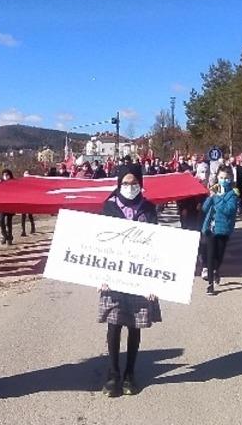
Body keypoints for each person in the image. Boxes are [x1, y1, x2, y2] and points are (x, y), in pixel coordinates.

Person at [98, 169, 161, 397]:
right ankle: (113, 374)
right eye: (125, 182)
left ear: (140, 184)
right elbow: (98, 242)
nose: (130, 186)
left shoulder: (149, 208)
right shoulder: (108, 207)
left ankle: (130, 374)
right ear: (119, 183)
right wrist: (99, 275)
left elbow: (158, 244)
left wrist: (155, 282)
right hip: (114, 279)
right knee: (114, 326)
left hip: (140, 278)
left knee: (135, 326)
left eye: (134, 182)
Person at [201, 169, 239, 296]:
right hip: (210, 229)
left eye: (226, 178)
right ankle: (210, 284)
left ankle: (217, 270)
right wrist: (210, 197)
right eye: (221, 177)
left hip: (223, 229)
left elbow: (229, 210)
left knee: (219, 255)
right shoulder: (215, 191)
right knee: (210, 255)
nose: (224, 180)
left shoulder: (232, 195)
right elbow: (205, 208)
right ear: (217, 177)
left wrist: (217, 198)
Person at [0, 169, 16, 245]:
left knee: (9, 222)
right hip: (2, 205)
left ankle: (9, 238)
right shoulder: (0, 182)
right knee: (1, 220)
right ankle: (5, 235)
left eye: (7, 175)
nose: (6, 176)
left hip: (10, 205)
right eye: (4, 175)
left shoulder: (13, 183)